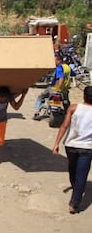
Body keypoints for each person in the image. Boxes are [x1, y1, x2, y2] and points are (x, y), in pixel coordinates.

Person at [52, 86, 92, 214]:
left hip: (71, 145)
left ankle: (75, 198)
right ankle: (75, 199)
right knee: (81, 174)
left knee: (73, 170)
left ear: (84, 96)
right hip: (87, 147)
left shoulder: (74, 108)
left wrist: (56, 143)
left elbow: (64, 126)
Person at [33, 54, 75, 120]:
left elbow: (61, 78)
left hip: (54, 89)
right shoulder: (68, 67)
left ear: (59, 60)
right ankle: (68, 116)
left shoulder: (59, 68)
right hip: (65, 90)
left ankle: (37, 113)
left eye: (55, 60)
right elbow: (73, 74)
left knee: (41, 97)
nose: (54, 62)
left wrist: (58, 89)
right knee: (66, 102)